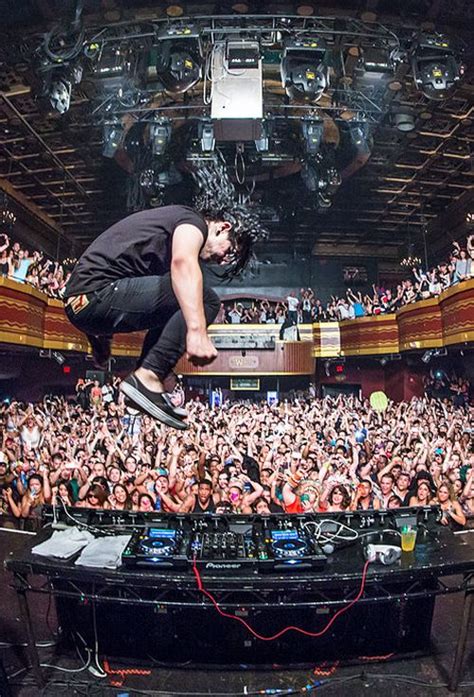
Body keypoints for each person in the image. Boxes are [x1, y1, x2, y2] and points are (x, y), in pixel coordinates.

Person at [64, 193, 265, 431]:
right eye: (230, 250)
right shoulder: (192, 222)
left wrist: (100, 336)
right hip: (95, 296)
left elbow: (112, 264)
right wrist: (197, 329)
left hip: (83, 304)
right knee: (205, 299)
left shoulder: (166, 232)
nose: (223, 260)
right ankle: (148, 375)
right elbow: (183, 264)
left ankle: (147, 378)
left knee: (181, 292)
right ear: (223, 227)